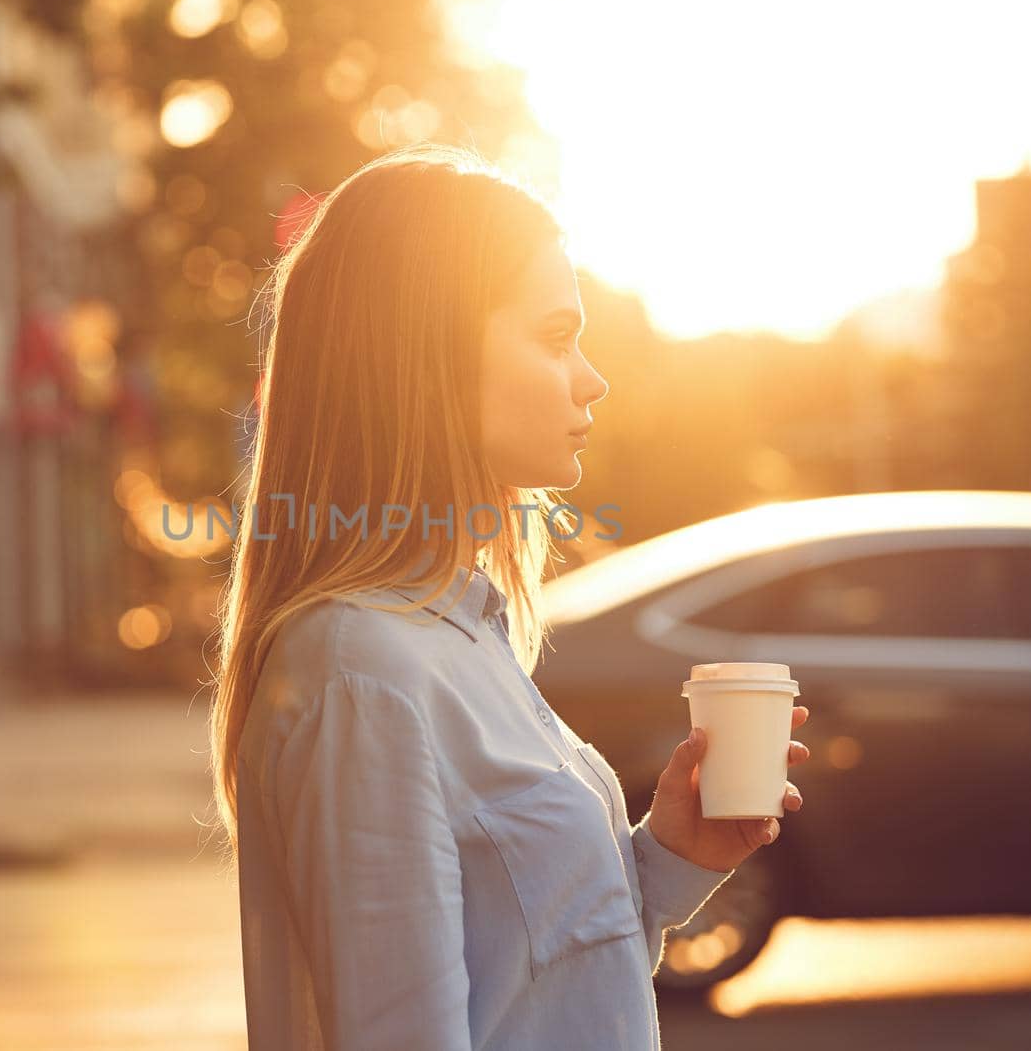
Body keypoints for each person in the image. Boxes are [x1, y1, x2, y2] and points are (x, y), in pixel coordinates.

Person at [209, 143, 812, 1051]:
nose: (591, 377)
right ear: (430, 353)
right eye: (555, 336)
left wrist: (671, 855)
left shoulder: (465, 631)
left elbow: (536, 980)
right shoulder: (360, 668)